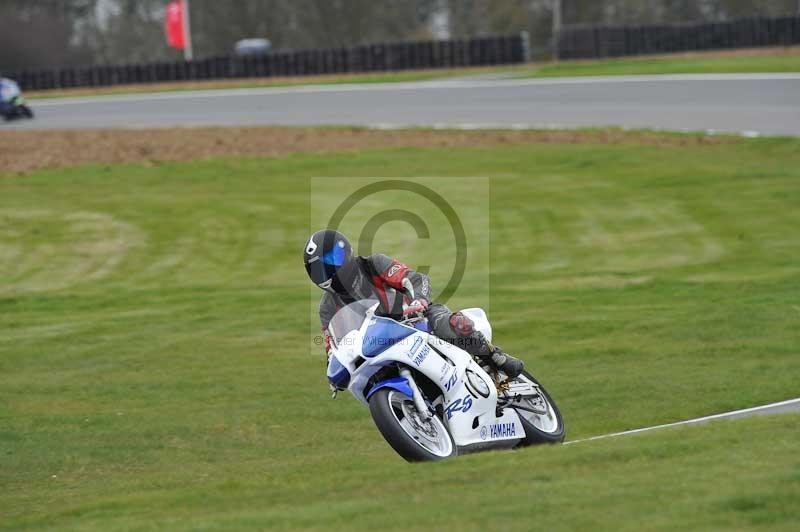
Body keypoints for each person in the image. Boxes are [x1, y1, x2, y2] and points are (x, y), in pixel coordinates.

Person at [303, 229, 524, 384]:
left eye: (333, 258)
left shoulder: (372, 265)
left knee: (453, 325)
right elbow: (332, 348)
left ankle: (496, 357)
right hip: (378, 348)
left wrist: (418, 300)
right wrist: (334, 368)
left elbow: (415, 279)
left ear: (346, 250)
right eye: (321, 268)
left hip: (416, 320)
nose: (330, 269)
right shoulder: (327, 308)